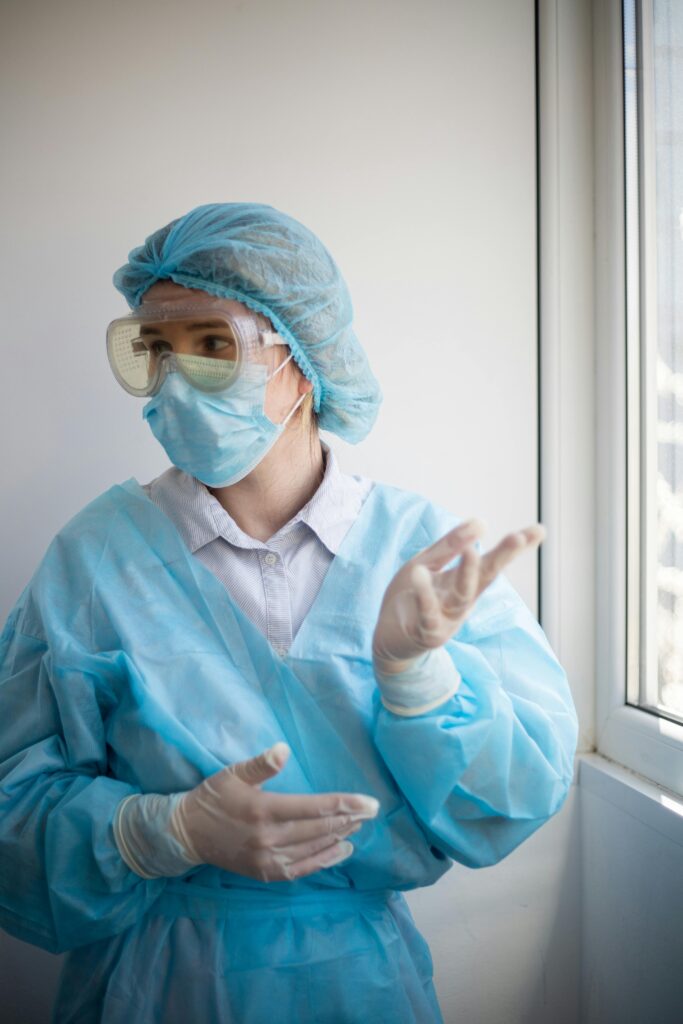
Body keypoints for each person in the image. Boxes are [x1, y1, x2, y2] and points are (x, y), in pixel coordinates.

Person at [0, 202, 578, 1024]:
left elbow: (512, 796)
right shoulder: (98, 556)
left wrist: (416, 677)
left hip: (357, 986)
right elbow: (8, 799)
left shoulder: (415, 551)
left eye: (211, 344)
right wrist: (160, 833)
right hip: (149, 984)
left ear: (303, 361)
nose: (173, 376)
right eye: (156, 348)